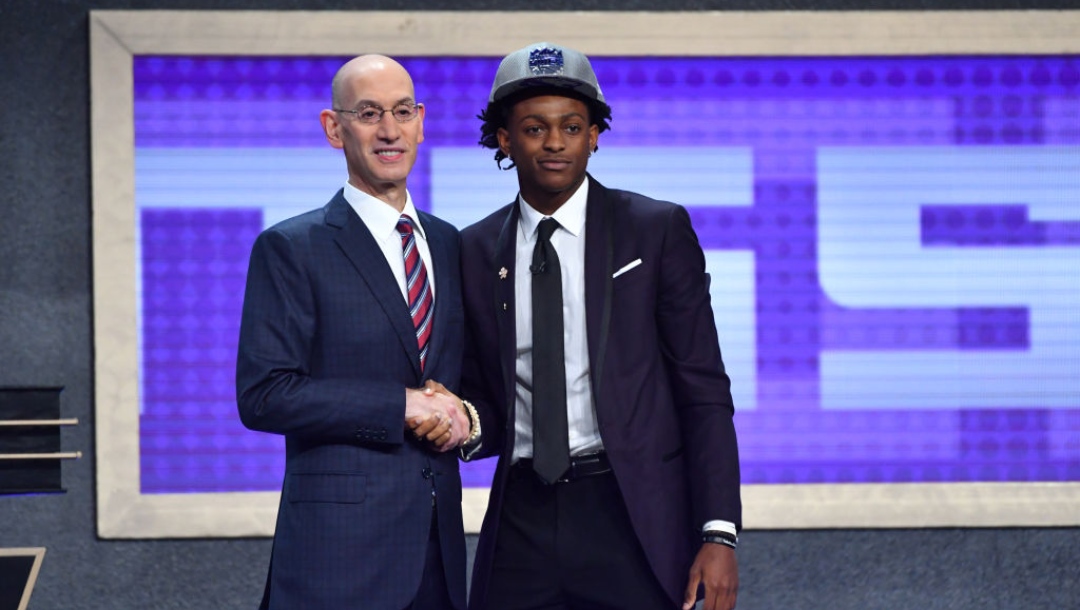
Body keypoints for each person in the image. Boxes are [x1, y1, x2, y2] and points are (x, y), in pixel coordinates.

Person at [450, 42, 743, 610]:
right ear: (505, 140)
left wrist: (718, 532)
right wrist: (459, 421)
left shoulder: (654, 231)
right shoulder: (474, 249)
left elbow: (704, 390)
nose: (554, 142)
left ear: (595, 135)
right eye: (534, 128)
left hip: (631, 514)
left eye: (572, 126)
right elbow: (481, 393)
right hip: (522, 516)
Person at [235, 54, 472, 610]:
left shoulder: (451, 244)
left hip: (437, 556)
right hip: (336, 564)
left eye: (402, 111)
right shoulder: (292, 248)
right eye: (368, 113)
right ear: (333, 127)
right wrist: (400, 405)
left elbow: (464, 383)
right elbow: (265, 395)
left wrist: (467, 419)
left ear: (421, 120)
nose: (390, 130)